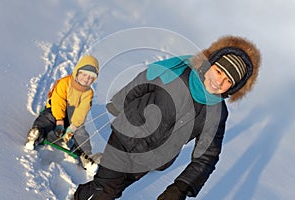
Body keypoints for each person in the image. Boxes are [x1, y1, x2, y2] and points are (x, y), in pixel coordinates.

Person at [73, 35, 261, 199]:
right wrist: (120, 103)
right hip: (126, 136)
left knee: (114, 189)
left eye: (228, 80)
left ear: (234, 87)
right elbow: (143, 81)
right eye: (219, 71)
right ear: (210, 63)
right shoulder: (176, 73)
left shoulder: (217, 114)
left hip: (152, 158)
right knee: (106, 189)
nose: (219, 81)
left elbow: (207, 156)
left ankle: (81, 194)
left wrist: (180, 187)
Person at [25, 55, 100, 171]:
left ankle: (87, 157)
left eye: (91, 77)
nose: (86, 79)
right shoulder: (65, 83)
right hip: (55, 110)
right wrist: (59, 121)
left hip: (72, 117)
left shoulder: (88, 93)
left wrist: (73, 127)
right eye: (84, 74)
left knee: (81, 133)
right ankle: (36, 133)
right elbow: (58, 101)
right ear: (77, 72)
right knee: (47, 118)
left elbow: (82, 110)